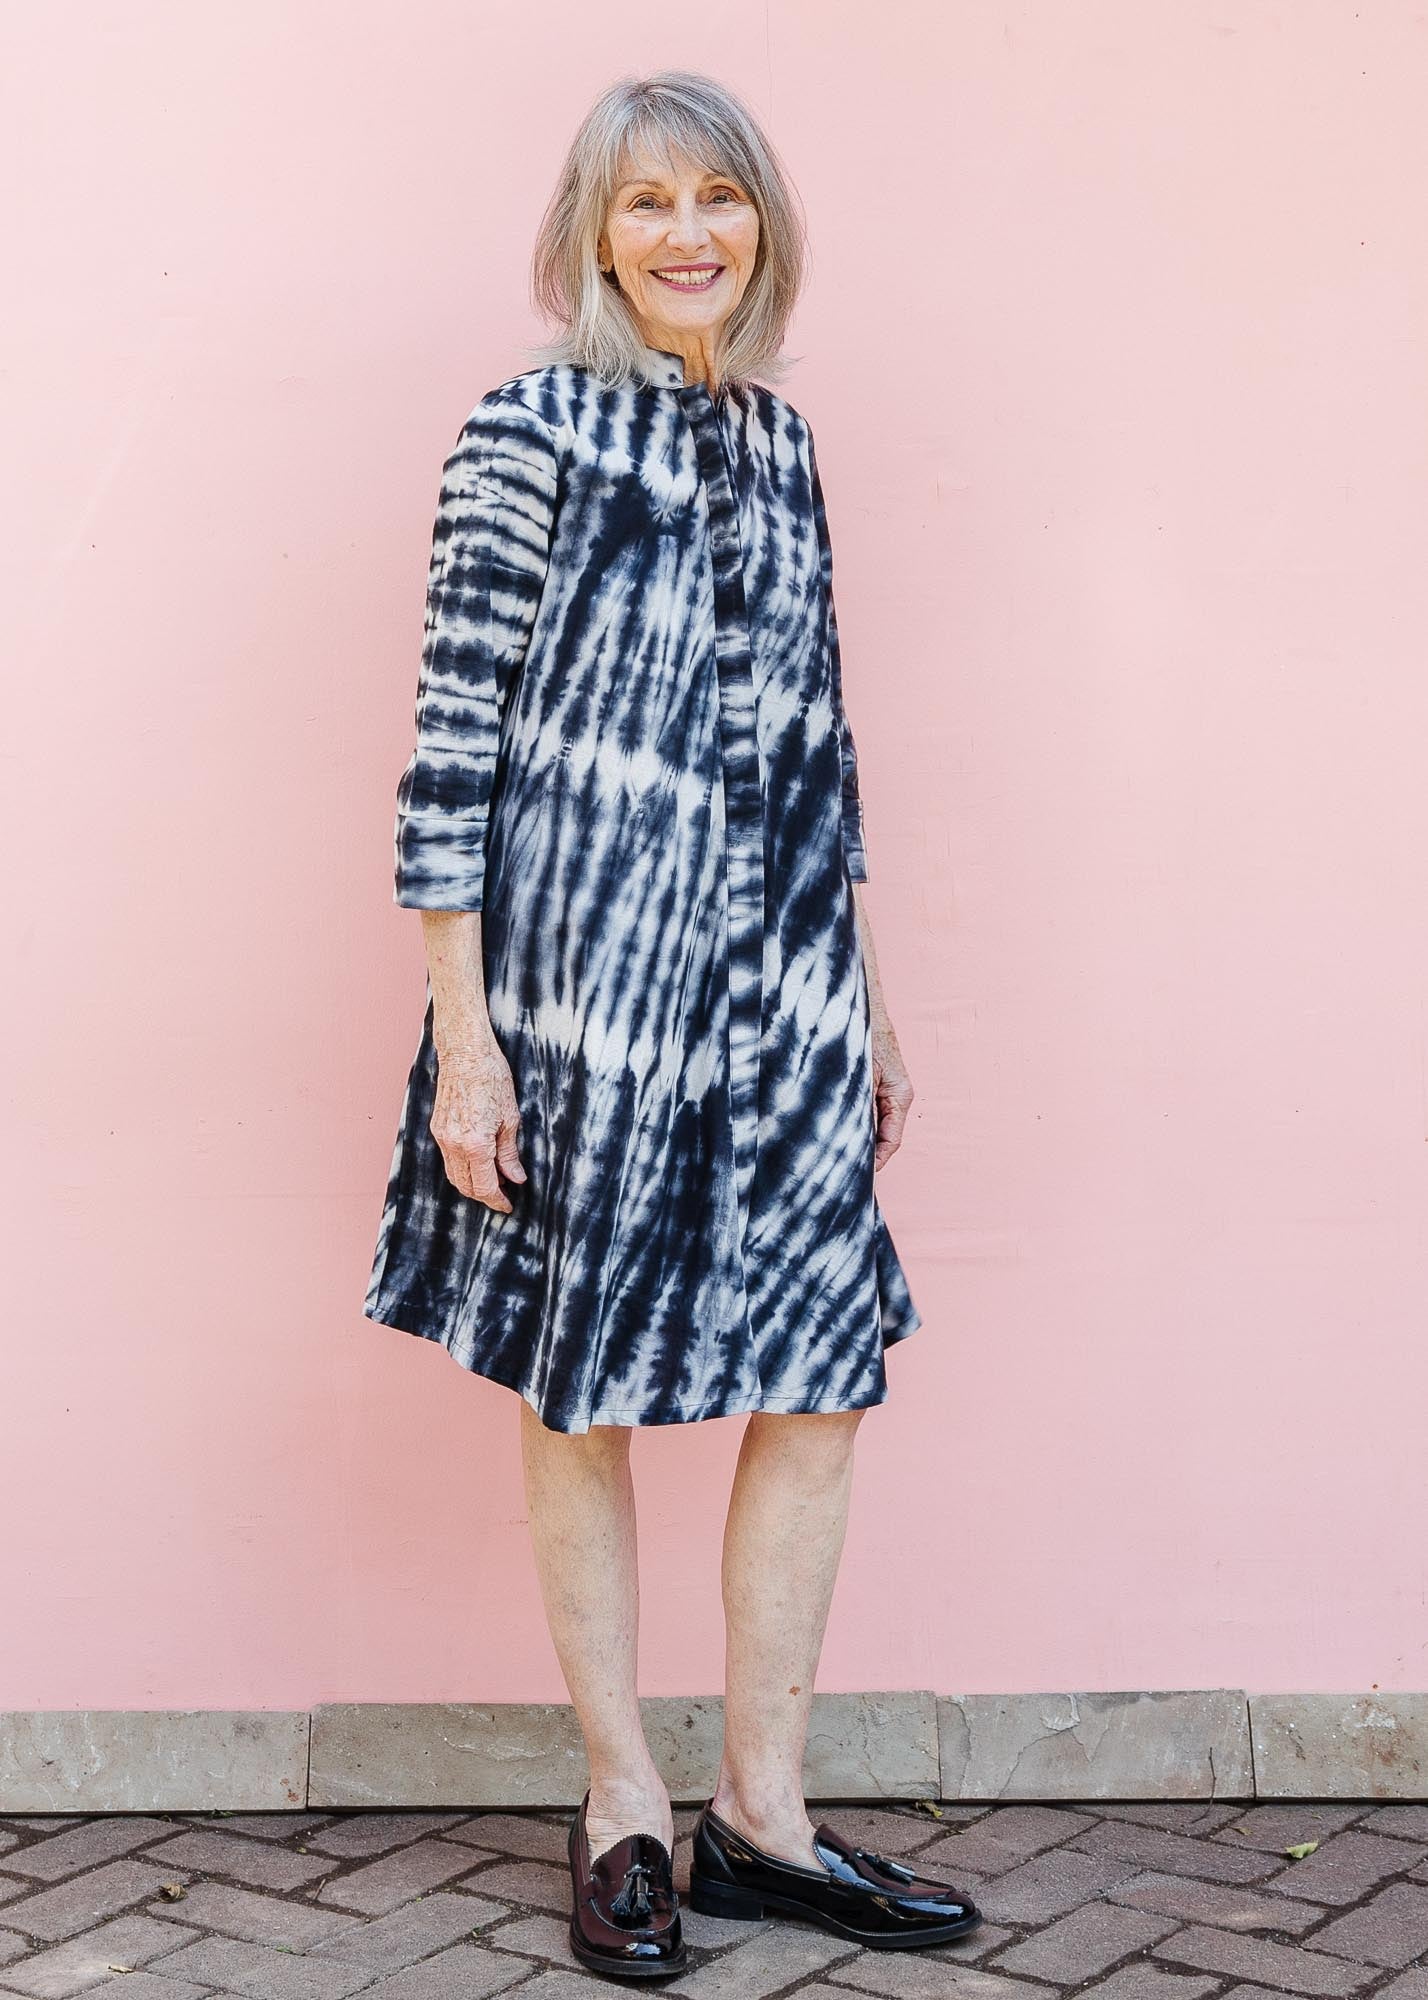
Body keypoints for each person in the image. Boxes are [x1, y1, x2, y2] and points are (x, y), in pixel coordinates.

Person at [362, 68, 979, 1981]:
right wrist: (466, 1040)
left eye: (721, 199)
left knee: (821, 1378)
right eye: (648, 206)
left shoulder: (786, 444)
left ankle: (763, 1819)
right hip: (588, 1004)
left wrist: (865, 991)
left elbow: (821, 747)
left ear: (762, 228)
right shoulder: (525, 428)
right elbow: (451, 751)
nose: (689, 233)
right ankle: (622, 1799)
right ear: (592, 237)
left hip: (785, 986)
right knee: (590, 1384)